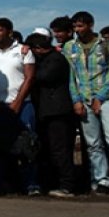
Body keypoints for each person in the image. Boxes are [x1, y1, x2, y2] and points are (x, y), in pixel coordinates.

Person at [64, 11, 109, 199]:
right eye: (75, 26)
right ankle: (102, 180)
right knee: (93, 143)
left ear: (90, 25)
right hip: (84, 98)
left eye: (81, 25)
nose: (77, 29)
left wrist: (101, 97)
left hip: (107, 98)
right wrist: (76, 100)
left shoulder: (108, 45)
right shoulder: (70, 47)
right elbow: (71, 77)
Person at [0, 18, 38, 196]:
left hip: (22, 104)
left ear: (9, 32)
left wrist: (18, 101)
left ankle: (31, 184)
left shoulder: (23, 51)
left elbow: (29, 77)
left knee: (27, 144)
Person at [24, 32, 76, 197]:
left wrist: (30, 68)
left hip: (57, 111)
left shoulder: (56, 60)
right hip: (47, 111)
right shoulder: (50, 59)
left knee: (60, 149)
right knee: (48, 149)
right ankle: (53, 182)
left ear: (38, 48)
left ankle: (67, 185)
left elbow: (41, 76)